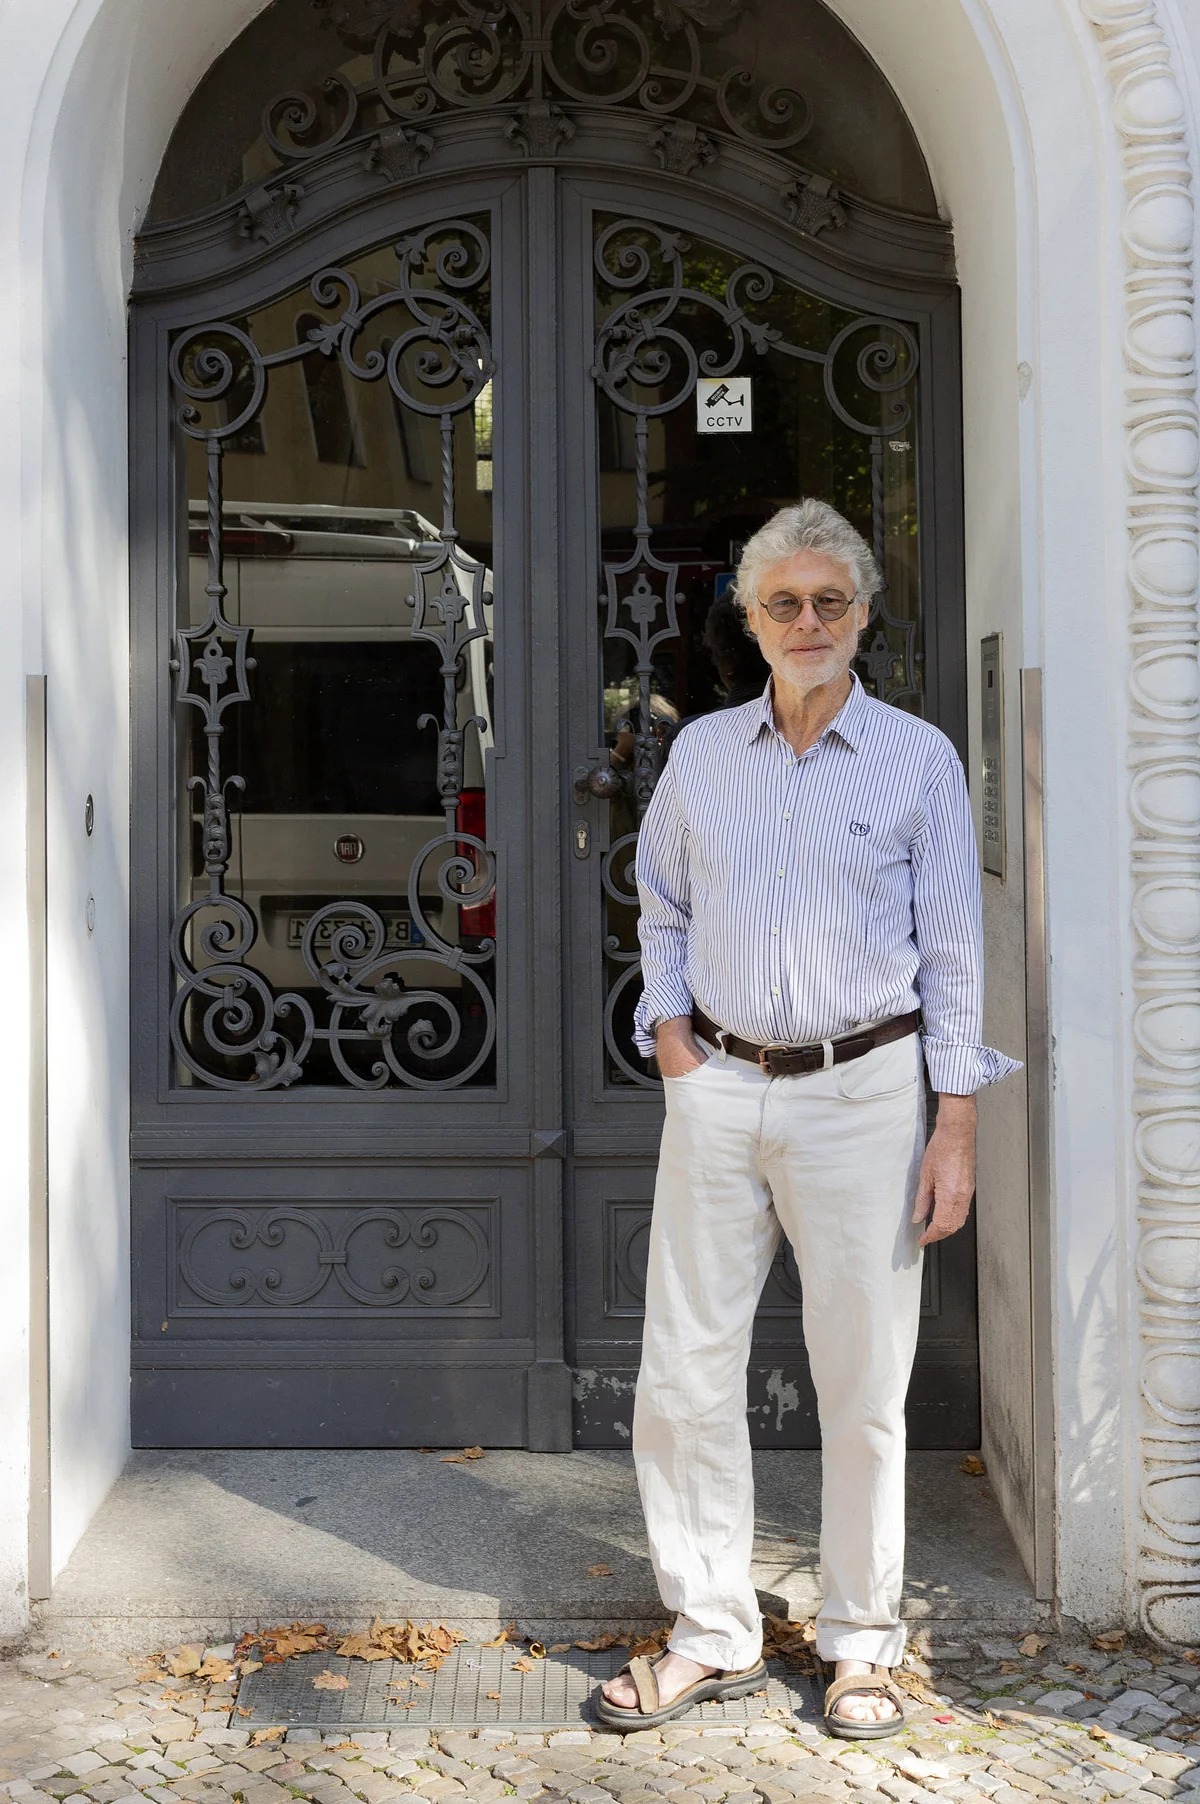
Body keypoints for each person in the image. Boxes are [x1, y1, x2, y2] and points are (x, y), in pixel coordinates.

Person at [596, 499, 1019, 1737]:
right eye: (783, 601)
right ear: (749, 616)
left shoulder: (918, 759)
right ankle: (712, 1630)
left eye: (830, 600)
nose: (808, 621)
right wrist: (672, 1036)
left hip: (865, 1091)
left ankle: (862, 1639)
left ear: (865, 614)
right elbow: (660, 903)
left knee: (864, 1380)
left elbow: (954, 953)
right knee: (684, 1369)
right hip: (719, 1088)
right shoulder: (702, 756)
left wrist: (955, 1125)